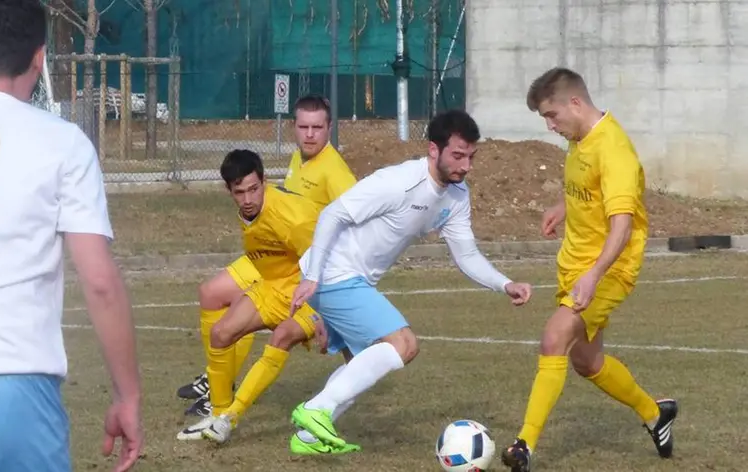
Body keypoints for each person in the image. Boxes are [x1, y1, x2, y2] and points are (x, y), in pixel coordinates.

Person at [0, 1, 142, 472]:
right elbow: (98, 280)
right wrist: (127, 393)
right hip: (14, 393)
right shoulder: (63, 142)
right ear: (40, 58)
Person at [287, 109, 534, 452]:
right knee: (404, 344)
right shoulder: (399, 181)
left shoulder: (456, 196)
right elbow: (333, 215)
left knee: (362, 365)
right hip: (332, 273)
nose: (466, 166)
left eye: (471, 157)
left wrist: (504, 283)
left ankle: (307, 438)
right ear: (434, 150)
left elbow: (466, 254)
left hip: (351, 279)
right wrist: (313, 279)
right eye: (458, 156)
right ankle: (316, 410)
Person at [499, 67, 677, 472]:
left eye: (552, 115)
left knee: (554, 337)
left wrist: (594, 275)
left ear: (575, 103)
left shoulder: (613, 149)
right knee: (588, 363)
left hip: (609, 270)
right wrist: (564, 208)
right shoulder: (580, 139)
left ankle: (524, 445)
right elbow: (592, 190)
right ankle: (655, 413)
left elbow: (623, 223)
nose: (550, 126)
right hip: (575, 266)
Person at [177, 94, 356, 418]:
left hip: (303, 261)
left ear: (330, 128)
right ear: (294, 127)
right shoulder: (298, 160)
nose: (310, 134)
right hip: (276, 253)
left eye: (317, 127)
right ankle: (220, 381)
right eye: (304, 126)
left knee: (254, 314)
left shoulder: (334, 171)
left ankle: (226, 389)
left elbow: (352, 225)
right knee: (211, 293)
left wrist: (329, 288)